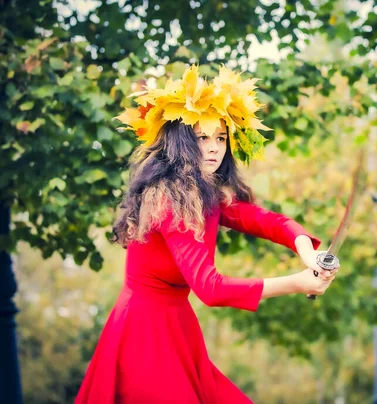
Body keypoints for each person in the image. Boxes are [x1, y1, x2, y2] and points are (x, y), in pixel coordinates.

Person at [75, 65, 338, 403]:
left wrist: (309, 253)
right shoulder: (170, 200)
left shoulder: (204, 193)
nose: (214, 148)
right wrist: (297, 283)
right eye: (202, 137)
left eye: (221, 138)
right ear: (182, 142)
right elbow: (210, 289)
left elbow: (268, 222)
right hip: (145, 336)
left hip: (175, 328)